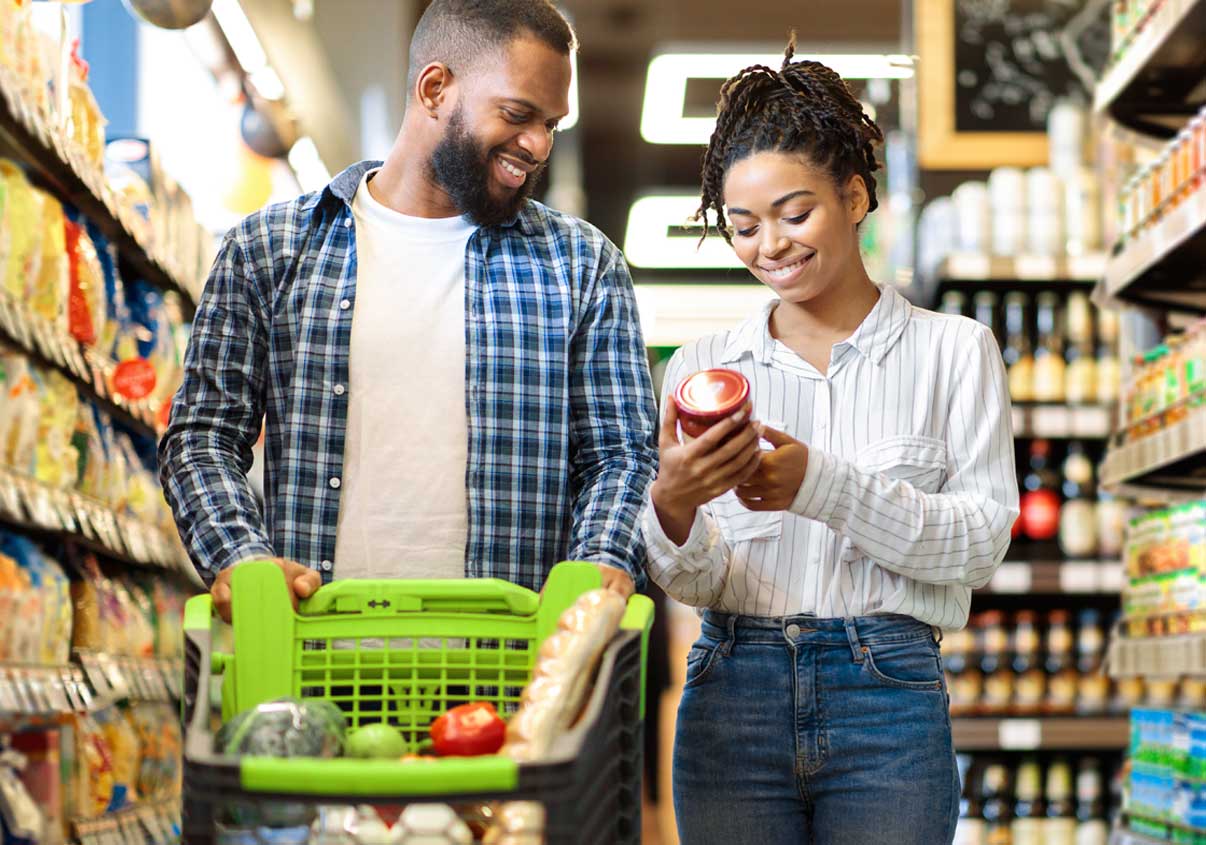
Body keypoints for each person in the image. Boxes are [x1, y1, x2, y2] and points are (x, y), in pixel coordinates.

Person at [159, 0, 657, 623]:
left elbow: (623, 456)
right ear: (435, 89)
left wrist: (598, 562)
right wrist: (242, 557)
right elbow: (203, 436)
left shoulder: (582, 267)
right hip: (312, 658)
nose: (538, 145)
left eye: (551, 124)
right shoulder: (268, 250)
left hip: (515, 668)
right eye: (517, 114)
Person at [644, 39, 1019, 845]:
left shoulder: (955, 351)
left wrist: (821, 485)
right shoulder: (703, 367)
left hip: (888, 695)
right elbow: (698, 575)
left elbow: (982, 541)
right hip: (730, 689)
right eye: (742, 227)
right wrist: (671, 507)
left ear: (854, 196)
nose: (768, 246)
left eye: (794, 213)